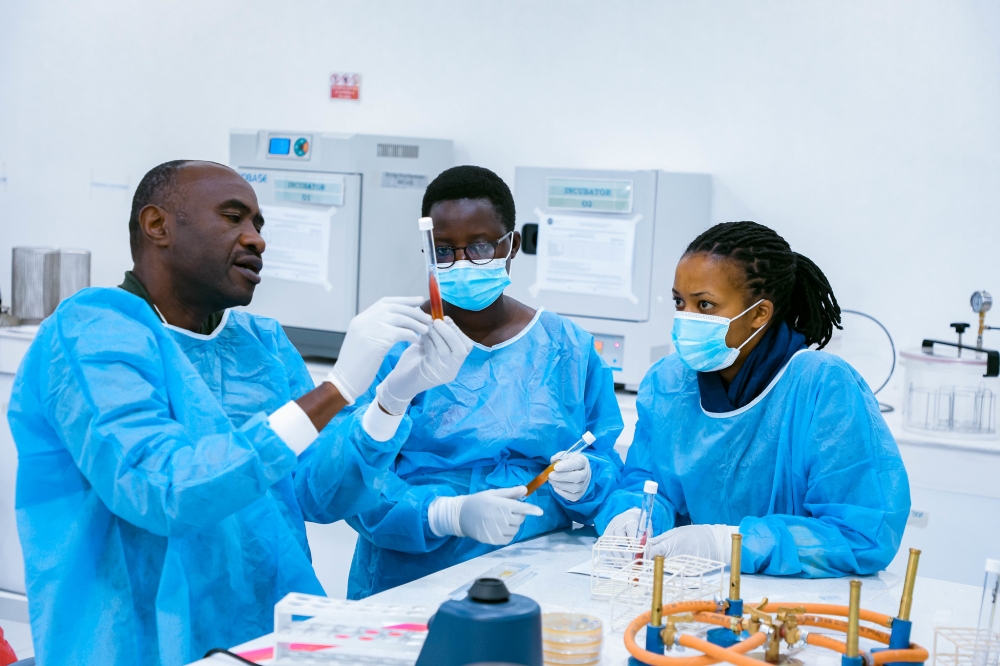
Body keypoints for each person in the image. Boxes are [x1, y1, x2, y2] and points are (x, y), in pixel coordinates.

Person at [8, 160, 473, 666]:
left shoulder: (260, 343)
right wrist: (336, 388)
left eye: (258, 225)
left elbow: (317, 492)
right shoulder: (92, 333)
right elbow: (163, 489)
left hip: (263, 636)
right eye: (234, 218)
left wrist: (390, 399)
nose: (257, 239)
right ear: (158, 225)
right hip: (134, 643)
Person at [341, 166, 624, 598]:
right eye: (444, 251)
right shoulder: (398, 346)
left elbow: (602, 456)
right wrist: (446, 513)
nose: (461, 262)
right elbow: (352, 477)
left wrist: (587, 481)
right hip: (409, 579)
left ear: (510, 245)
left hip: (535, 568)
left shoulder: (568, 348)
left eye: (479, 246)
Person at [596, 221, 910, 577]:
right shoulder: (669, 382)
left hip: (798, 601)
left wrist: (728, 545)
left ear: (760, 313)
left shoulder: (822, 385)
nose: (687, 318)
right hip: (686, 588)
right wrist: (635, 514)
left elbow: (862, 533)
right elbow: (648, 482)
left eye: (705, 305)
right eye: (679, 302)